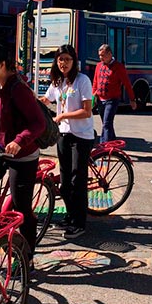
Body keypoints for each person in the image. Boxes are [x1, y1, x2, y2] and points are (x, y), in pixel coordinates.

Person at [0, 41, 46, 259]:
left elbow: (38, 123)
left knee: (21, 209)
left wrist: (19, 140)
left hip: (24, 155)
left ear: (1, 65)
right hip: (2, 151)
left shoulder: (18, 89)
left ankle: (27, 257)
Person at [40, 44, 93, 239]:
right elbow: (46, 99)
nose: (63, 63)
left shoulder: (82, 81)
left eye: (67, 59)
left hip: (81, 137)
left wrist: (62, 117)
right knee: (64, 181)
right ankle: (70, 216)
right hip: (63, 135)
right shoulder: (57, 82)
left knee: (77, 180)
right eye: (60, 59)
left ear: (74, 62)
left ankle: (79, 223)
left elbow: (87, 111)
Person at [92, 44, 136, 143]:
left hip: (112, 100)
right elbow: (95, 82)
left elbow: (127, 84)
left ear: (110, 54)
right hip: (100, 99)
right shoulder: (99, 66)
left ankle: (104, 147)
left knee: (106, 124)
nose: (101, 58)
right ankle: (113, 143)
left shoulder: (118, 67)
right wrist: (92, 96)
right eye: (99, 55)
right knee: (106, 123)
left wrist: (132, 99)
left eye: (103, 55)